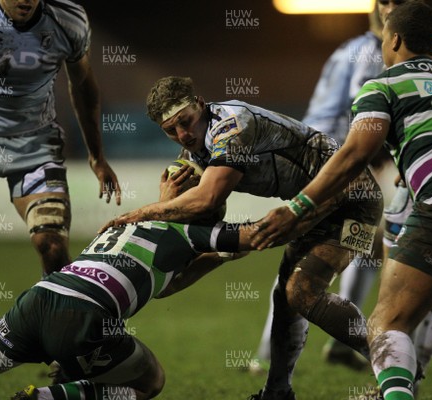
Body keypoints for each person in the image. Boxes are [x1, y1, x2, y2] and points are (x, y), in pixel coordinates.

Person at [252, 3, 432, 400]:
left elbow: (355, 154)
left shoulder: (384, 84)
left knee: (386, 324)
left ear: (393, 39)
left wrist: (298, 207)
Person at [0, 160, 345, 400]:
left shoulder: (129, 223)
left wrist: (215, 257)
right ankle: (49, 397)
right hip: (84, 318)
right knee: (148, 383)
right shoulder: (189, 233)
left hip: (35, 301)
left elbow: (162, 282)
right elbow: (259, 232)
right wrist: (312, 206)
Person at [100, 76, 383, 400]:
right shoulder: (193, 150)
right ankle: (277, 392)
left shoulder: (231, 126)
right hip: (314, 207)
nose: (182, 135)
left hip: (357, 199)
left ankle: (395, 366)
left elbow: (206, 200)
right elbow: (191, 211)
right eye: (170, 130)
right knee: (286, 296)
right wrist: (167, 204)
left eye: (185, 122)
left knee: (301, 291)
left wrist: (135, 215)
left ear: (201, 105)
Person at [0, 0, 121, 275]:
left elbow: (83, 87)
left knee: (52, 246)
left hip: (37, 147)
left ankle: (59, 316)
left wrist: (97, 156)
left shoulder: (68, 19)